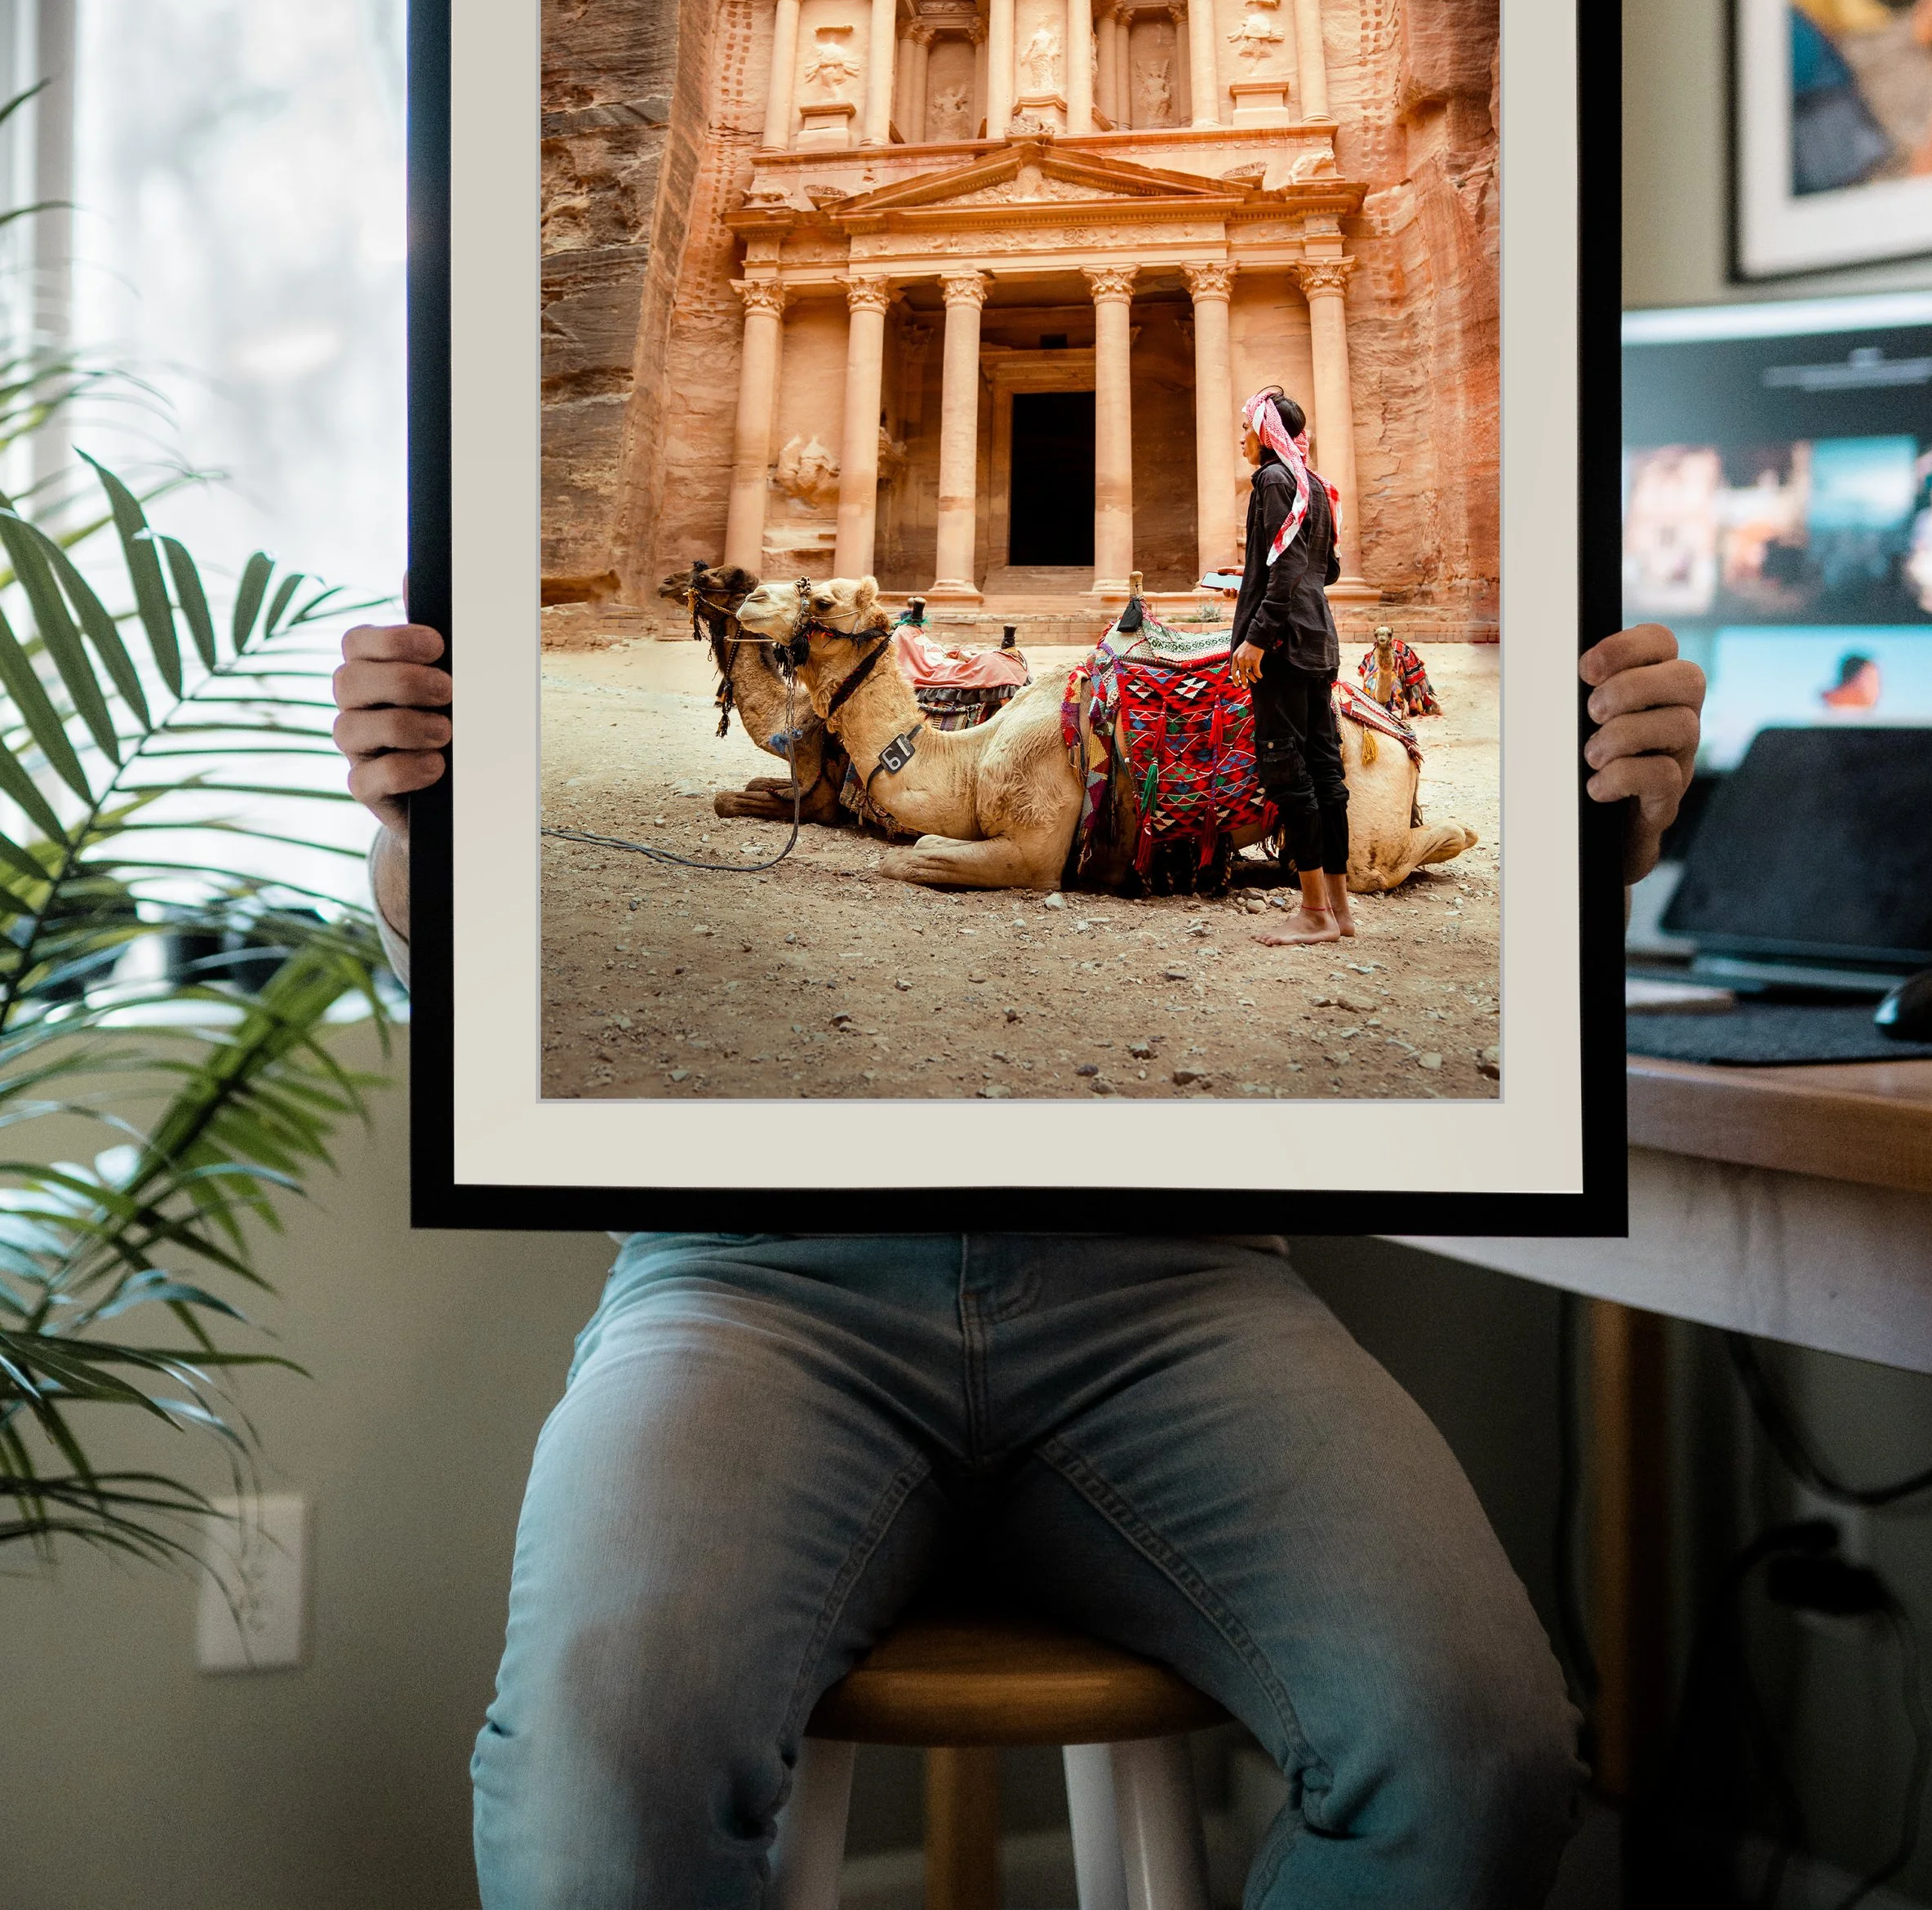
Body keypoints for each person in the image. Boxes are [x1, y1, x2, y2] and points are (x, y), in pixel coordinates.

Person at [335, 605, 1702, 1908]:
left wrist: (1598, 832)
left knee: (1476, 1751)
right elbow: (473, 985)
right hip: (754, 1279)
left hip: (1173, 1284)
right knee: (598, 1809)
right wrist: (419, 832)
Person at [1229, 384, 1357, 948]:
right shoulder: (1314, 484)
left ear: (1264, 432)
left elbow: (1283, 568)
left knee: (1289, 769)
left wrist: (1257, 635)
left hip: (1283, 644)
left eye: (1245, 427)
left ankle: (1312, 913)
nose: (1240, 437)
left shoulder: (1274, 479)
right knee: (1326, 771)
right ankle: (1340, 908)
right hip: (1318, 636)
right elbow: (1325, 570)